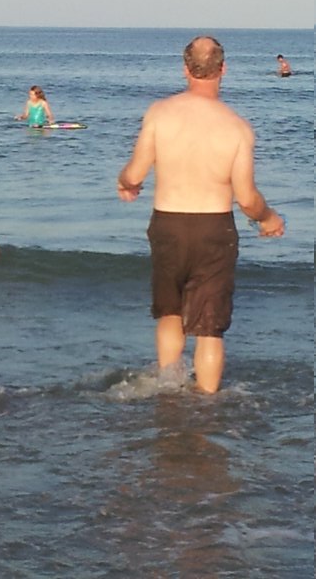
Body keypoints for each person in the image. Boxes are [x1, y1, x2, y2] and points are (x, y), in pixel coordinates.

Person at [117, 36, 285, 395]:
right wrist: (268, 218)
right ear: (223, 69)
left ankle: (167, 388)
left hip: (168, 223)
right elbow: (247, 199)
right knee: (210, 328)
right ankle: (207, 403)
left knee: (169, 312)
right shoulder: (237, 128)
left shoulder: (160, 113)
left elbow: (135, 173)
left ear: (185, 69)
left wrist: (126, 184)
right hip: (214, 228)